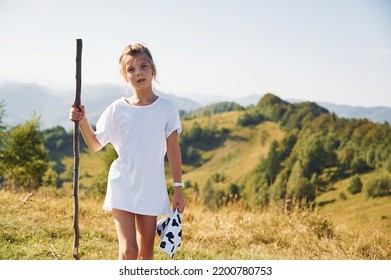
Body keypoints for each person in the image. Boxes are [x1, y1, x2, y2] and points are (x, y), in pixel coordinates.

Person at [69, 43, 185, 260]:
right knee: (129, 251)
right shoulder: (117, 109)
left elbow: (173, 151)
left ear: (153, 70)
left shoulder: (167, 108)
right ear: (124, 76)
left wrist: (178, 189)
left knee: (145, 256)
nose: (138, 72)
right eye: (131, 69)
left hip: (151, 187)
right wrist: (83, 121)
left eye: (143, 66)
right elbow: (95, 145)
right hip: (122, 184)